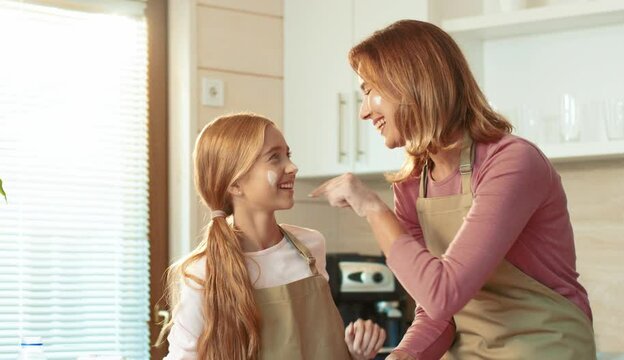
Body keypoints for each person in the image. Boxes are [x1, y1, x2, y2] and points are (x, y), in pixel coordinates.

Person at [310, 20, 597, 360]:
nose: (363, 111)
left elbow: (442, 293)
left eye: (371, 91)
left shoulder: (513, 163)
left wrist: (372, 208)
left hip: (545, 347)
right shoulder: (412, 184)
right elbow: (435, 313)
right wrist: (404, 355)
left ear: (411, 83)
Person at [161, 113, 386, 360]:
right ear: (235, 184)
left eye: (288, 155)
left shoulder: (312, 248)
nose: (292, 167)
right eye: (274, 158)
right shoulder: (202, 273)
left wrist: (354, 354)